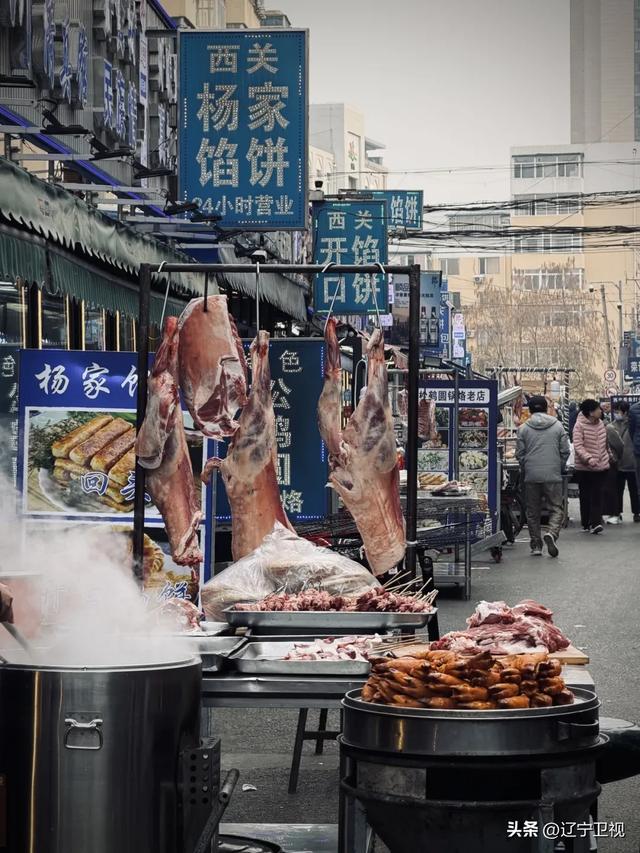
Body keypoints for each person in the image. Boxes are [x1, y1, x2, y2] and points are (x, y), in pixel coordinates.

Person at [516, 395, 570, 558]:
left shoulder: (523, 428)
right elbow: (565, 451)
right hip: (553, 475)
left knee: (532, 512)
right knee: (556, 508)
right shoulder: (558, 426)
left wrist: (527, 465)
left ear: (530, 409)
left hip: (531, 475)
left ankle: (536, 546)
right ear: (546, 408)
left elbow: (520, 454)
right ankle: (552, 533)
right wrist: (558, 465)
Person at [573, 399, 611, 534]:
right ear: (590, 412)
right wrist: (588, 458)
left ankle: (595, 523)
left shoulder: (600, 423)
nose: (600, 411)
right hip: (585, 468)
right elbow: (578, 445)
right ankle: (586, 523)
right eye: (597, 409)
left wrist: (609, 455)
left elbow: (605, 442)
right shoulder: (579, 425)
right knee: (585, 496)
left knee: (598, 494)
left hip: (601, 466)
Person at [611, 401, 640, 522]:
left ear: (626, 412)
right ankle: (617, 512)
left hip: (632, 461)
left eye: (618, 411)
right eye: (615, 411)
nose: (616, 413)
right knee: (618, 489)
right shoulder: (612, 425)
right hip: (619, 462)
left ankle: (637, 512)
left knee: (634, 489)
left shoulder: (632, 423)